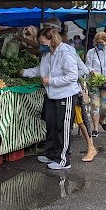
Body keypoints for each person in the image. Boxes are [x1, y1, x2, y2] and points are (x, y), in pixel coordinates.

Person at [22, 27, 80, 171]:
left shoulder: (66, 53)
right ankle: (51, 153)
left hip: (65, 95)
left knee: (63, 128)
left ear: (52, 40)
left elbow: (72, 76)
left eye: (42, 41)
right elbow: (40, 70)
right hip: (51, 95)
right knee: (51, 125)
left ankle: (63, 160)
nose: (41, 44)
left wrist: (52, 81)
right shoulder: (48, 53)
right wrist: (25, 73)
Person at [86, 32, 106, 137]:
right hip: (94, 82)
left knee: (105, 107)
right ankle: (95, 128)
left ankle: (102, 120)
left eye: (102, 43)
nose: (100, 45)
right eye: (98, 43)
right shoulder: (91, 52)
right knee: (95, 106)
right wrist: (92, 71)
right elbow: (88, 66)